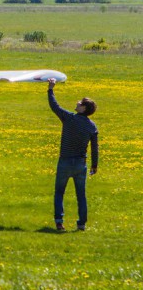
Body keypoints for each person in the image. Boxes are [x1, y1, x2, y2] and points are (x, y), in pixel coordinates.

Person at [48, 78, 99, 232]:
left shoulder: (69, 118)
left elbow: (54, 106)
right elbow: (95, 148)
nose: (77, 102)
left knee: (59, 192)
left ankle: (59, 222)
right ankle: (81, 224)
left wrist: (51, 89)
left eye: (80, 102)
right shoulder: (92, 126)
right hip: (80, 164)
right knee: (81, 195)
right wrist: (94, 165)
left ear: (83, 108)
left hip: (64, 162)